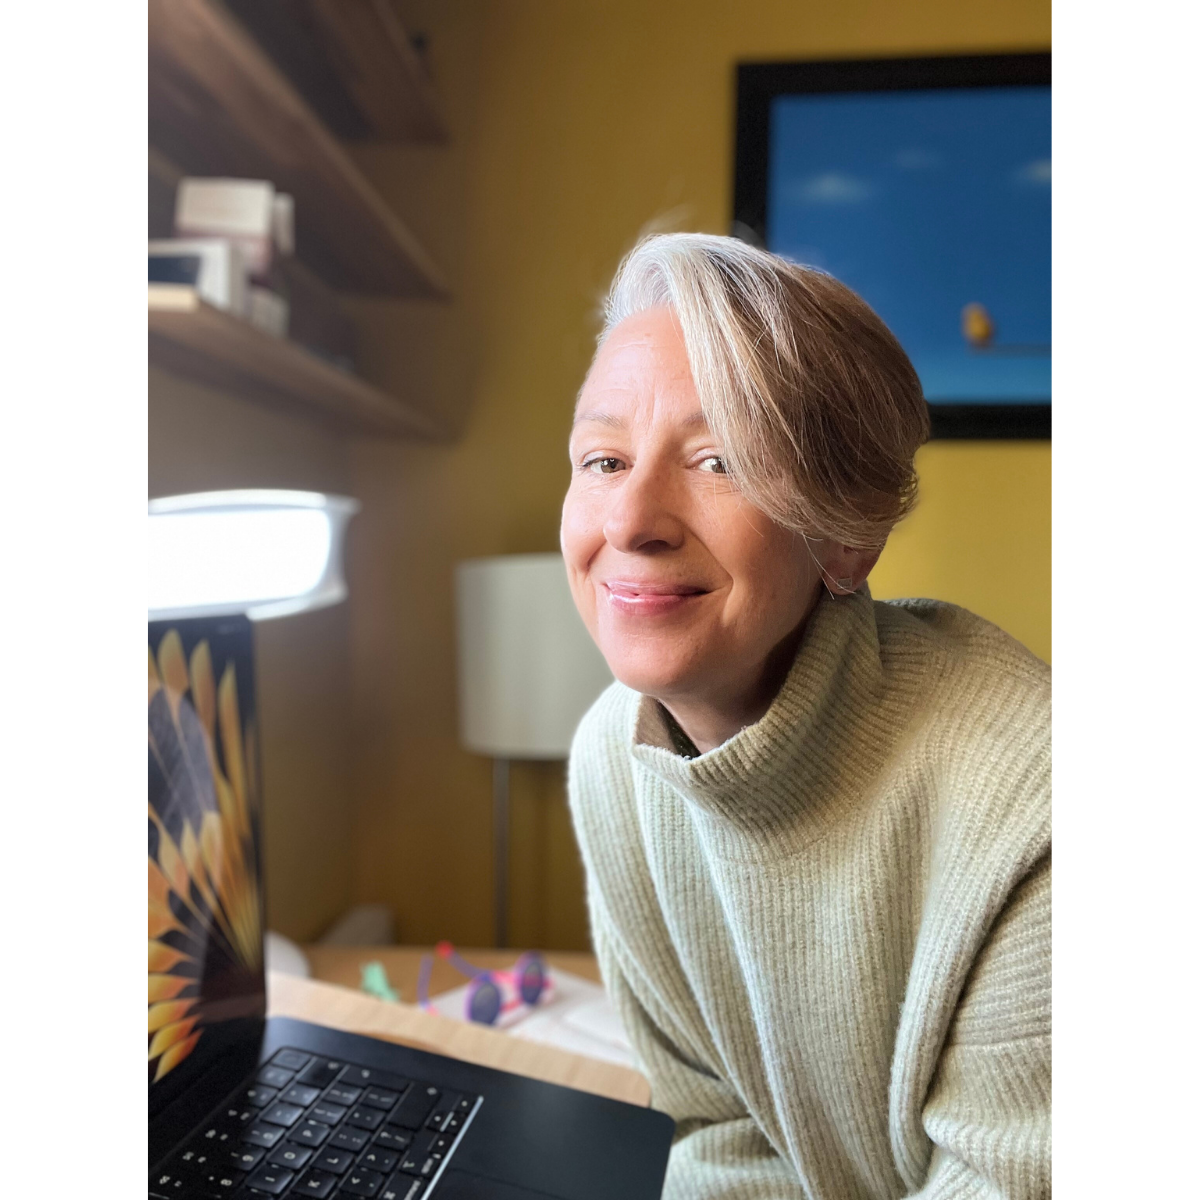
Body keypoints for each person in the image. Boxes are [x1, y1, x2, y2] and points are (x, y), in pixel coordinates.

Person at [561, 233, 1052, 1199]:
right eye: (604, 459)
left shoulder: (1041, 811)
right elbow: (718, 1131)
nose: (630, 521)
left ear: (845, 537)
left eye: (718, 459)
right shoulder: (612, 762)